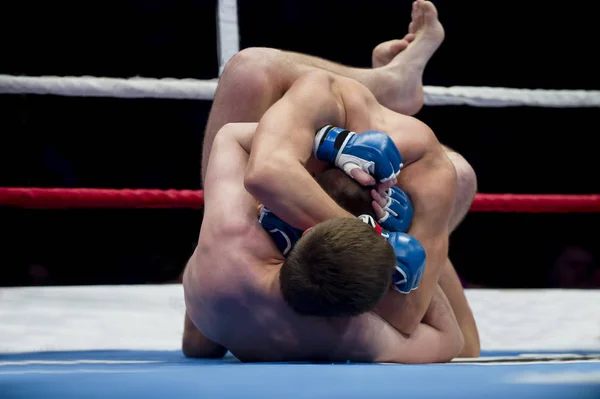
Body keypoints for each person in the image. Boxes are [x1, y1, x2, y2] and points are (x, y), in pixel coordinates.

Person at [183, 0, 479, 361]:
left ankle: (392, 84)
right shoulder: (351, 334)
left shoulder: (237, 246)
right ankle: (392, 83)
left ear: (298, 231)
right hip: (320, 252)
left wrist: (329, 148)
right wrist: (384, 245)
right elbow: (443, 340)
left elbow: (240, 148)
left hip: (228, 290)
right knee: (251, 70)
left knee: (251, 71)